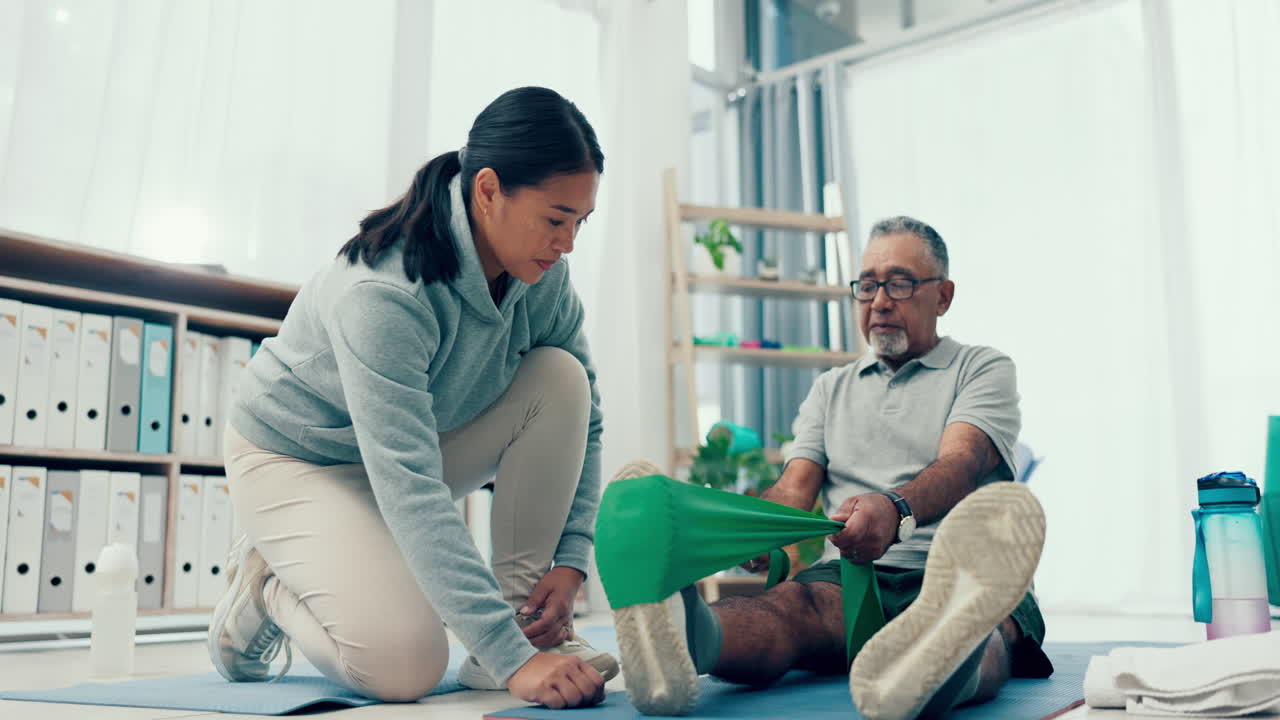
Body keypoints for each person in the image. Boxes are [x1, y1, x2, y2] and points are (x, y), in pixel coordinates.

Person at [207, 87, 616, 710]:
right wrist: (520, 665)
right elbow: (412, 487)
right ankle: (269, 582)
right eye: (556, 218)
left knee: (562, 378)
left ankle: (510, 627)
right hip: (298, 461)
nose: (567, 244)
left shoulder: (543, 278)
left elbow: (584, 423)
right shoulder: (385, 293)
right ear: (487, 190)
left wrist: (569, 561)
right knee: (405, 668)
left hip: (404, 453)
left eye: (579, 222)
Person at [612, 216, 1051, 719]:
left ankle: (945, 655)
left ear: (943, 297)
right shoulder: (830, 388)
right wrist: (753, 530)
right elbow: (793, 490)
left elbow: (962, 461)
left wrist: (894, 509)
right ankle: (686, 635)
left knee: (984, 629)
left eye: (900, 283)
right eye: (867, 285)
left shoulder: (982, 368)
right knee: (786, 609)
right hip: (854, 579)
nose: (879, 300)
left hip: (963, 574)